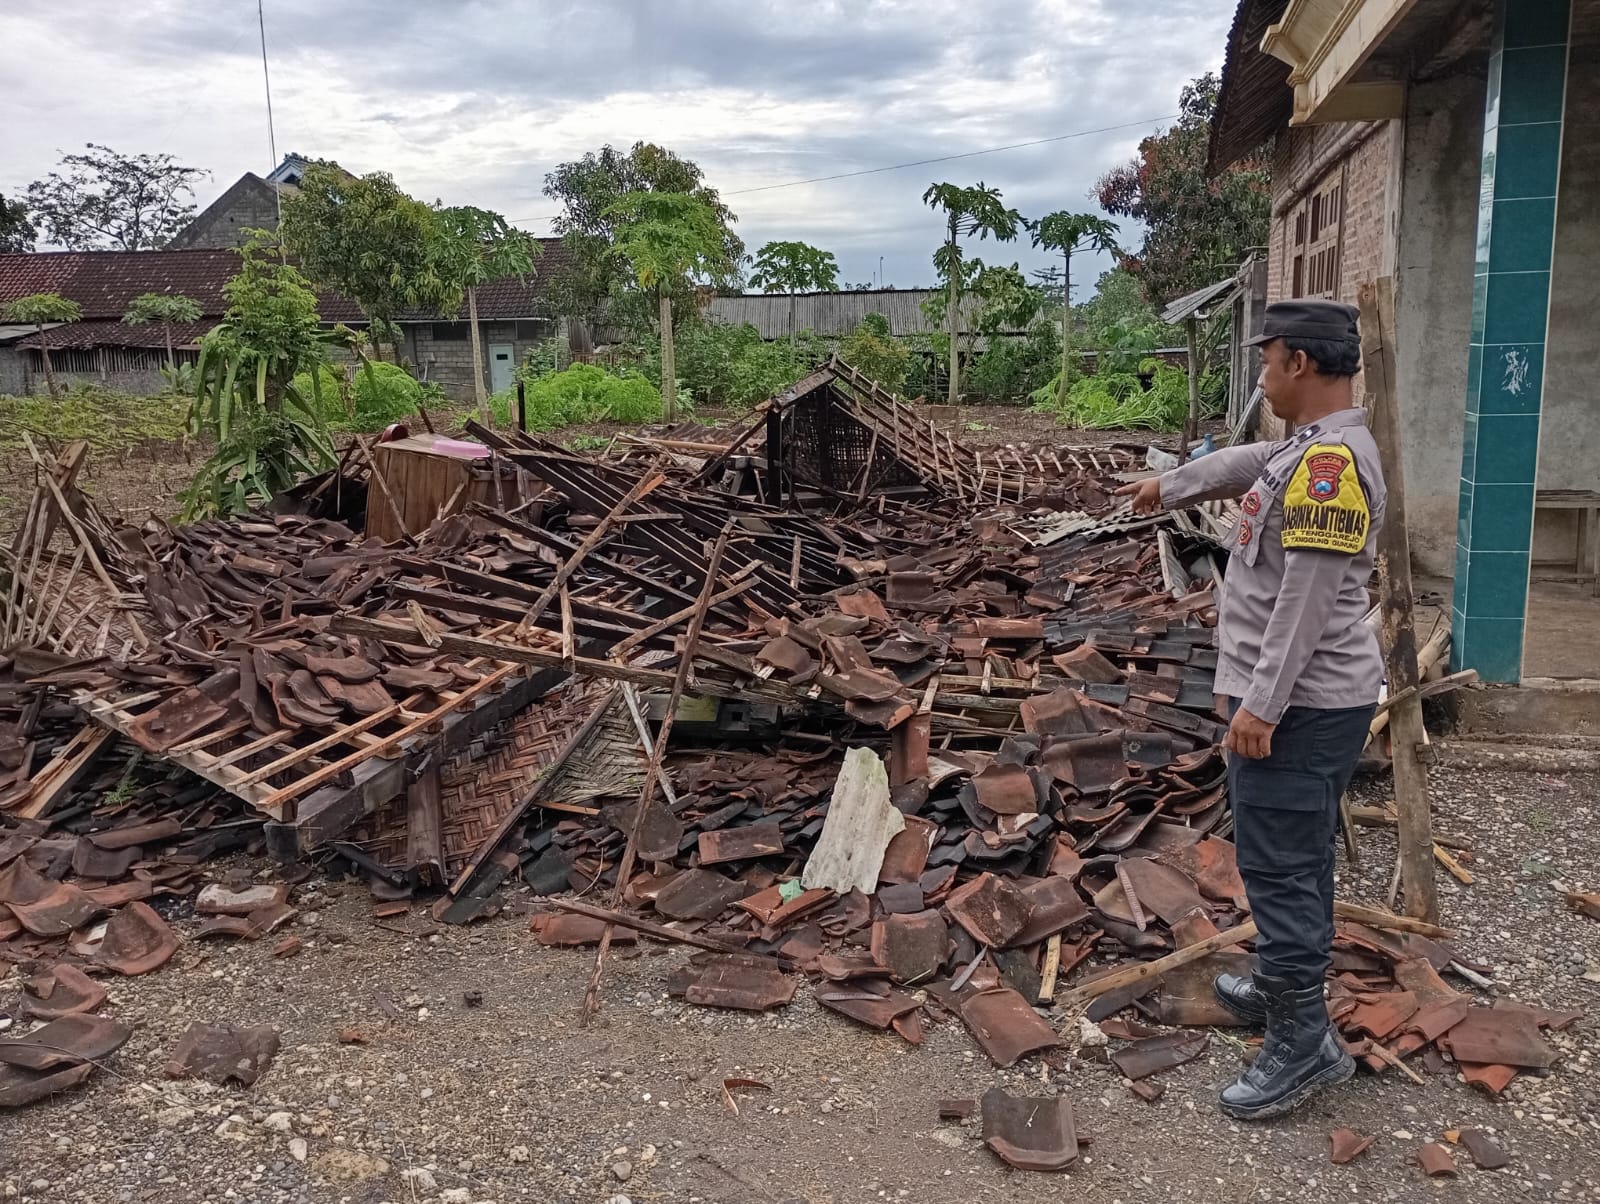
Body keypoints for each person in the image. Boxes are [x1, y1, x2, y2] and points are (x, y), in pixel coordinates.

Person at [1116, 300, 1386, 1120]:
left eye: (1267, 361)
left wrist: (1261, 706)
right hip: (1296, 701)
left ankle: (1303, 1042)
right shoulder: (1309, 449)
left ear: (1300, 363)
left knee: (1281, 866)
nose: (1262, 373)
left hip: (1300, 706)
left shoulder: (1333, 465)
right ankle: (1279, 985)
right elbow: (1248, 462)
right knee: (1286, 852)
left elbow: (1304, 599)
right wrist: (1169, 485)